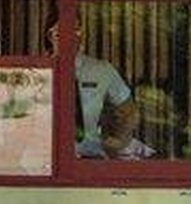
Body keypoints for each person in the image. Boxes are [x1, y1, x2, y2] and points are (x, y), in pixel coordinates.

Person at [48, 21, 131, 157]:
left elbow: (129, 110)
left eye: (76, 31)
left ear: (82, 36)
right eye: (58, 34)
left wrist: (118, 143)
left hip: (90, 157)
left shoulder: (101, 70)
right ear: (49, 36)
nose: (67, 37)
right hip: (45, 161)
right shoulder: (36, 73)